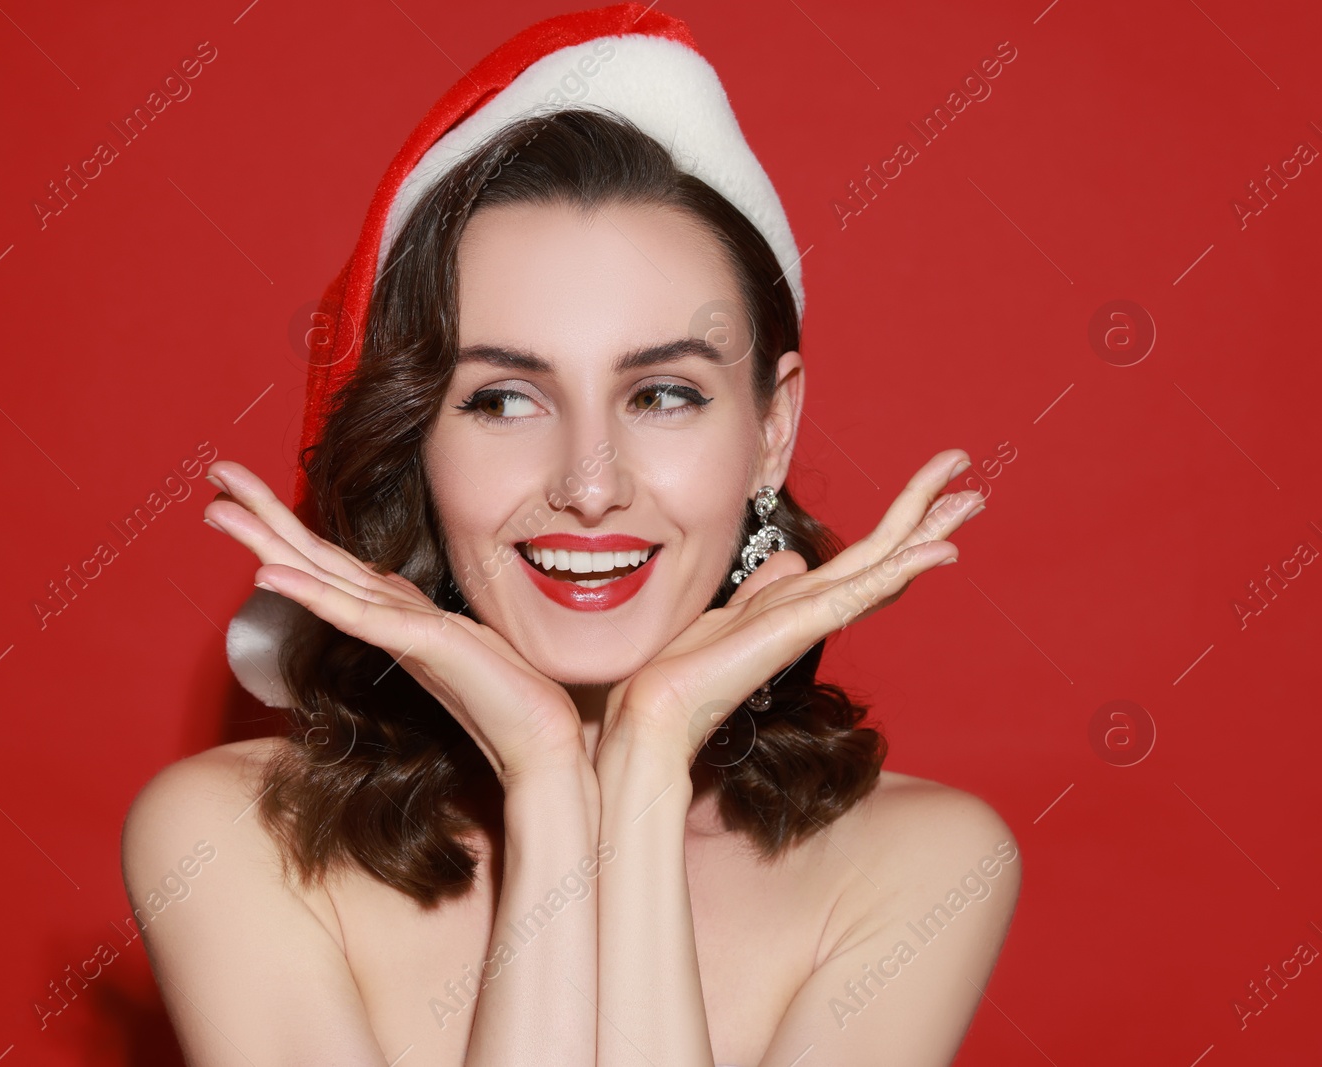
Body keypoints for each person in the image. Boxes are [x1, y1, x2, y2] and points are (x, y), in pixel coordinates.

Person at [121, 6, 1019, 1066]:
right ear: (418, 439)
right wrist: (547, 775)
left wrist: (647, 758)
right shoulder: (236, 842)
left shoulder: (919, 865)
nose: (589, 486)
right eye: (504, 399)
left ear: (770, 430)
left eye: (666, 393)